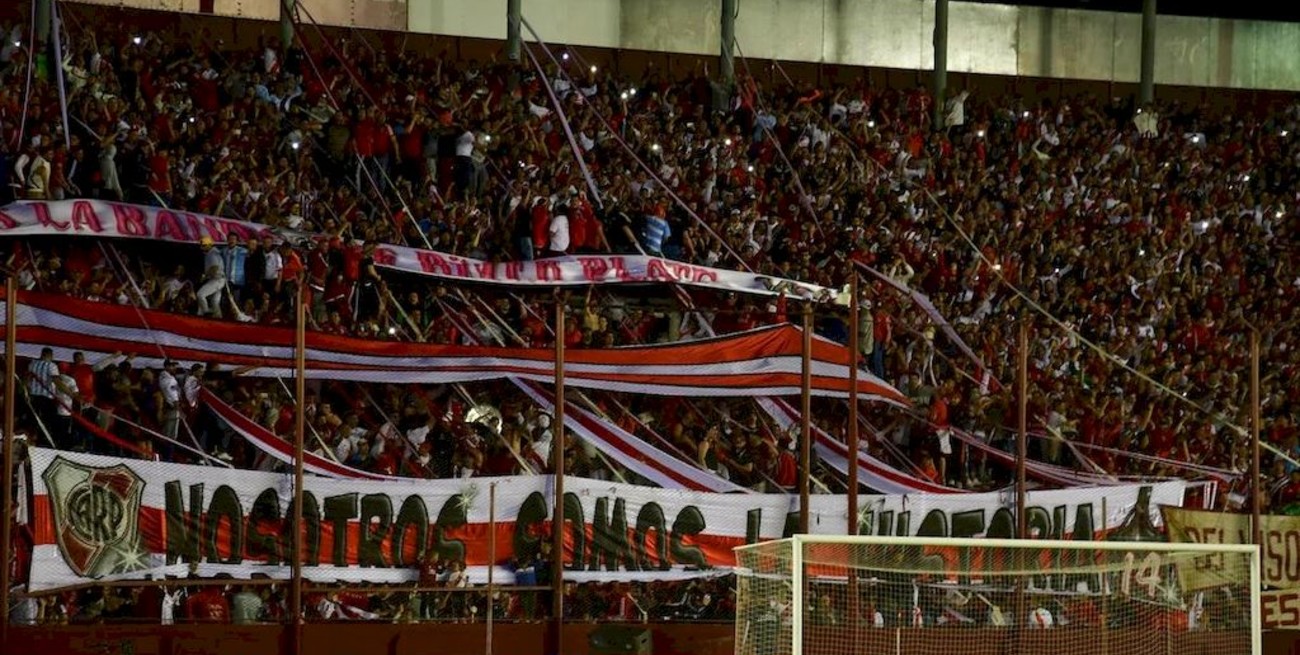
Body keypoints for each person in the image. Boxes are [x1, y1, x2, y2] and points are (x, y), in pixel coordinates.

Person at [25, 347, 59, 436]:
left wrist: (28, 392)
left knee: (33, 419)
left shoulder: (33, 364)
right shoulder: (52, 366)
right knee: (47, 421)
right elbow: (56, 382)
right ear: (50, 355)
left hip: (34, 396)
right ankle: (44, 440)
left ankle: (32, 437)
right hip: (47, 397)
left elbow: (27, 380)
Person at [195, 236, 226, 317]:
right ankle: (219, 318)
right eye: (202, 245)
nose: (202, 247)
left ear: (209, 245)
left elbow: (214, 268)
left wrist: (205, 276)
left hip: (216, 279)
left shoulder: (211, 253)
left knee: (200, 295)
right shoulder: (214, 252)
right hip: (219, 280)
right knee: (215, 301)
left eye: (204, 245)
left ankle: (206, 313)